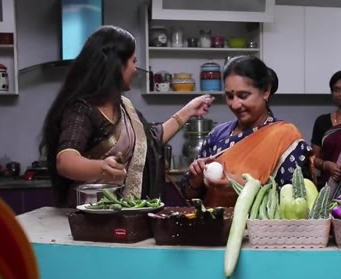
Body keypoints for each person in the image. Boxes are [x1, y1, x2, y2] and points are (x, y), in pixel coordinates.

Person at [40, 25, 214, 207]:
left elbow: (150, 141)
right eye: (133, 61)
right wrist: (101, 167)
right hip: (89, 213)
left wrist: (189, 110)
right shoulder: (82, 109)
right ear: (116, 65)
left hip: (122, 213)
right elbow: (65, 161)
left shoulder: (123, 106)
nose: (135, 69)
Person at [181, 55, 312, 207]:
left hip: (259, 223)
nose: (235, 104)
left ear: (266, 91)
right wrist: (196, 179)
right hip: (213, 222)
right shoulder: (217, 135)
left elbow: (297, 202)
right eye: (230, 96)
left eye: (243, 96)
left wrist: (239, 187)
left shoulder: (285, 137)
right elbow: (189, 195)